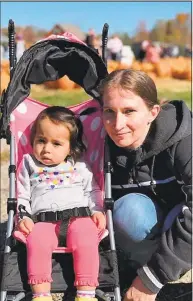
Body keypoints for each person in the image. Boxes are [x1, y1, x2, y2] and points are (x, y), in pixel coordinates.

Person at [99, 69, 192, 301]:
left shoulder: (184, 140)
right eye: (109, 111)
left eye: (129, 111)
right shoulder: (98, 144)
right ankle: (133, 273)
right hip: (147, 223)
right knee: (130, 213)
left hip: (181, 221)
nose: (118, 124)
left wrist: (152, 279)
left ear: (153, 112)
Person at [15, 106, 106, 301]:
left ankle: (86, 293)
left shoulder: (79, 165)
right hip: (43, 220)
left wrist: (97, 210)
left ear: (70, 148)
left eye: (56, 143)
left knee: (87, 239)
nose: (46, 149)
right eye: (41, 141)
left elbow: (93, 190)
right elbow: (22, 195)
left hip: (78, 217)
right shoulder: (29, 163)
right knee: (35, 241)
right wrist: (23, 216)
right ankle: (41, 295)